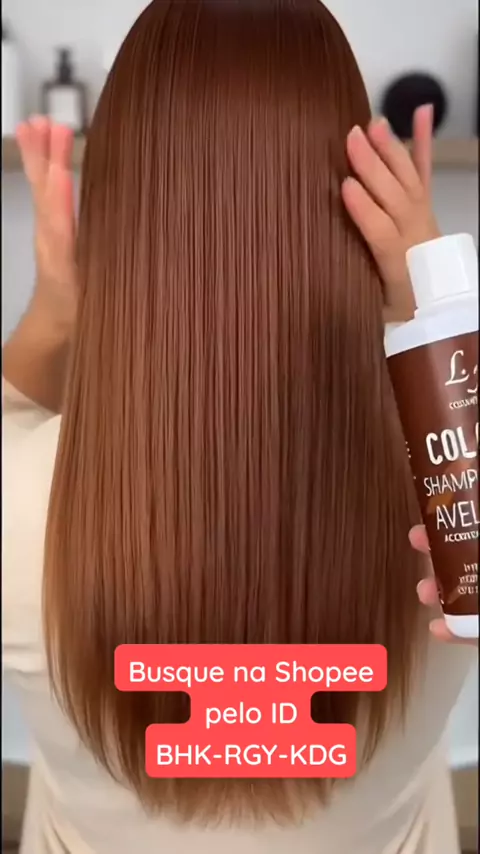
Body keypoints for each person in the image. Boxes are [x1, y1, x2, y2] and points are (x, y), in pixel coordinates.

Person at [2, 1, 477, 852]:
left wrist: (55, 313)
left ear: (115, 219)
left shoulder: (18, 504)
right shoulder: (453, 516)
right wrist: (430, 305)